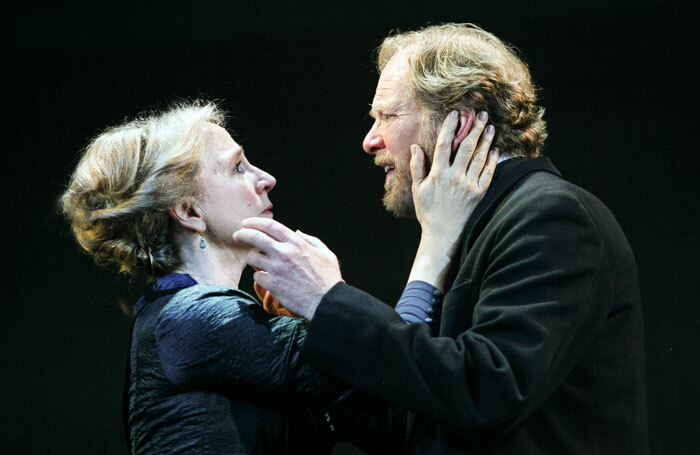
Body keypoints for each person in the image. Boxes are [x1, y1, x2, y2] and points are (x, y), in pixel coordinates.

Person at [234, 23, 649, 454]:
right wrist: (310, 322)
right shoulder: (474, 224)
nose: (369, 140)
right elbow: (411, 422)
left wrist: (329, 300)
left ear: (460, 122)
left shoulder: (551, 216)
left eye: (388, 116)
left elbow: (486, 391)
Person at [60, 99, 498, 454]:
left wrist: (316, 321)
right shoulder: (192, 320)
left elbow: (389, 418)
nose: (266, 178)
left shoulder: (206, 320)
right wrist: (435, 239)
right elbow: (395, 386)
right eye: (237, 168)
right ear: (189, 212)